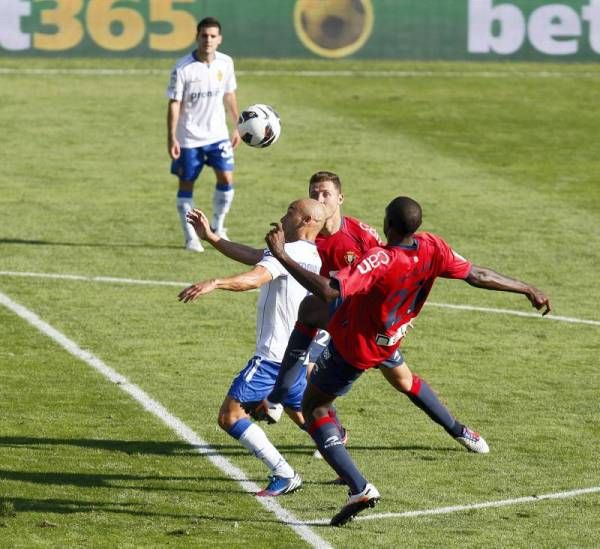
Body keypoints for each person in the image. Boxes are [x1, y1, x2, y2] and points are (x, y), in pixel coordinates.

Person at [264, 196, 551, 526]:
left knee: (314, 406)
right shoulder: (433, 247)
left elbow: (332, 291)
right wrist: (526, 288)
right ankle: (274, 397)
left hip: (357, 342)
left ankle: (359, 488)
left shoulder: (381, 259)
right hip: (388, 333)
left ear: (388, 225)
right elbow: (478, 274)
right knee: (311, 311)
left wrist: (281, 254)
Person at [262, 172, 489, 456]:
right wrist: (216, 240)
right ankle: (320, 424)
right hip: (332, 316)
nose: (319, 199)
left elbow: (394, 271)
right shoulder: (303, 233)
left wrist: (397, 316)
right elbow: (263, 257)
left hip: (366, 324)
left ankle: (458, 430)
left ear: (340, 198)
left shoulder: (362, 236)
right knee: (312, 362)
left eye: (325, 194)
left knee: (403, 381)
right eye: (314, 194)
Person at [178, 199, 327, 496]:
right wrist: (213, 238)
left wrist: (216, 282)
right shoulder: (311, 256)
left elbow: (257, 276)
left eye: (290, 212)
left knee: (230, 416)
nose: (283, 216)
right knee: (306, 417)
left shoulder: (291, 252)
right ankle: (353, 474)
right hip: (295, 355)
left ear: (306, 220)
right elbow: (258, 257)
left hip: (272, 358)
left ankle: (284, 473)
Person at [167, 16, 241, 252]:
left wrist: (237, 125)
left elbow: (229, 94)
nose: (208, 40)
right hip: (189, 138)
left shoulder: (226, 63)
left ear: (219, 39)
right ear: (197, 37)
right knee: (187, 184)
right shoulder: (182, 68)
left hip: (218, 135)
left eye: (212, 36)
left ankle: (218, 227)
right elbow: (174, 103)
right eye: (203, 35)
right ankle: (191, 237)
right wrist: (172, 136)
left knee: (226, 178)